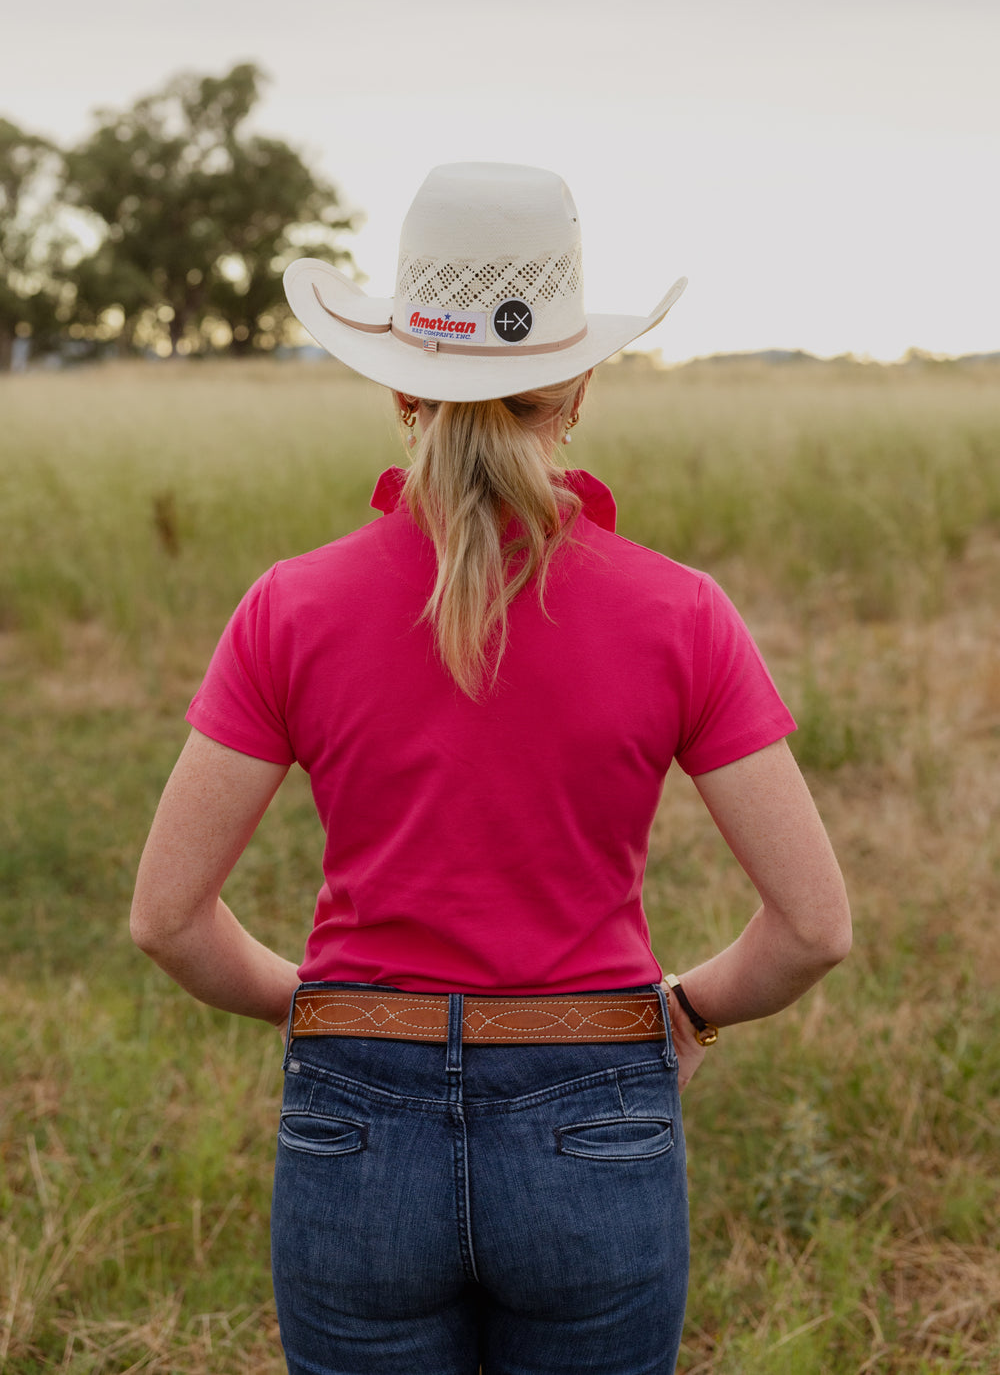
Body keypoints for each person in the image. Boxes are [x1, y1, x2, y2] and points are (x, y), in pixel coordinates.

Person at [131, 161, 851, 1375]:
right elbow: (813, 929)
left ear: (399, 391)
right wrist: (686, 1014)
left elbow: (166, 919)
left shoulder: (288, 608)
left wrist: (320, 1008)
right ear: (577, 387)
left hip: (357, 1124)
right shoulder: (681, 613)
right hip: (595, 1119)